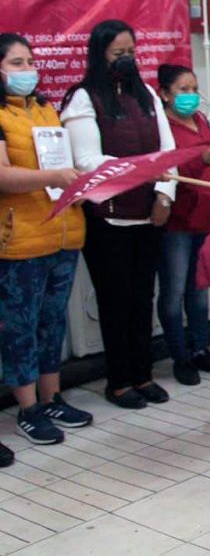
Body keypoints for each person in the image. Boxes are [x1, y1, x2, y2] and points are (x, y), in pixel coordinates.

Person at [62, 20, 176, 409]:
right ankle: (119, 381)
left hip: (149, 215)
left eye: (131, 52)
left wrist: (164, 195)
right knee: (116, 300)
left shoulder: (146, 93)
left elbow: (169, 153)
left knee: (144, 297)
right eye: (118, 54)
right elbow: (89, 161)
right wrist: (144, 168)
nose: (127, 60)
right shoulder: (83, 97)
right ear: (100, 55)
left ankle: (143, 375)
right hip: (108, 221)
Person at [0, 33, 93, 449]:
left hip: (63, 232)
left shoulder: (44, 108)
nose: (27, 71)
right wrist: (52, 178)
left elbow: (64, 164)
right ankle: (27, 407)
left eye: (30, 62)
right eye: (16, 63)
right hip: (19, 241)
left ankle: (52, 397)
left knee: (51, 322)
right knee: (19, 328)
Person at [155, 64, 210, 385]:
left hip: (207, 218)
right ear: (164, 94)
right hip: (178, 222)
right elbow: (166, 168)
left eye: (194, 89)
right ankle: (179, 355)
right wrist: (200, 159)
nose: (190, 96)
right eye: (182, 90)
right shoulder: (162, 128)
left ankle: (201, 347)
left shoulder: (201, 120)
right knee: (173, 292)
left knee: (199, 289)